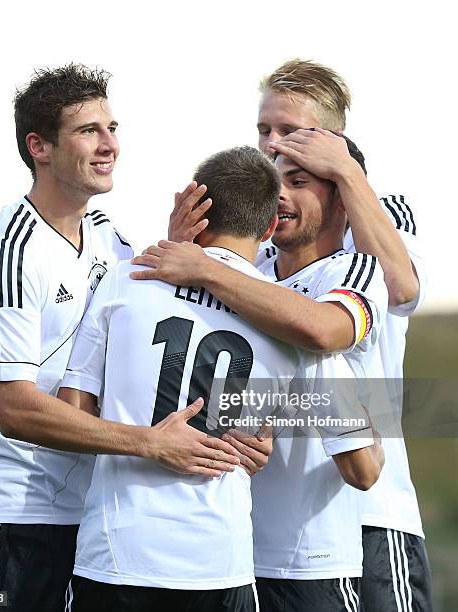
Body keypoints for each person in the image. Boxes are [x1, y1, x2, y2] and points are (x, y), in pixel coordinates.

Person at [135, 59, 431, 611]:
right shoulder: (259, 257)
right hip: (255, 533)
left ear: (334, 142)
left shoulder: (375, 222)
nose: (271, 146)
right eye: (263, 131)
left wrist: (348, 175)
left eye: (289, 133)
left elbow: (397, 294)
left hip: (366, 518)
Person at [0, 64, 241, 612]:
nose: (110, 145)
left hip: (87, 517)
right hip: (9, 516)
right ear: (39, 146)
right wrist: (151, 442)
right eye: (88, 131)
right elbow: (14, 409)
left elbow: (137, 313)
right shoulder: (6, 252)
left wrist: (175, 247)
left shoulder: (110, 235)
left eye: (113, 128)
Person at [60, 146, 383, 612]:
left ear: (193, 203)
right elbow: (365, 469)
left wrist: (147, 439)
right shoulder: (290, 320)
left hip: (115, 558)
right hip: (219, 567)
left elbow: (73, 415)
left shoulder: (124, 281)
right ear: (269, 225)